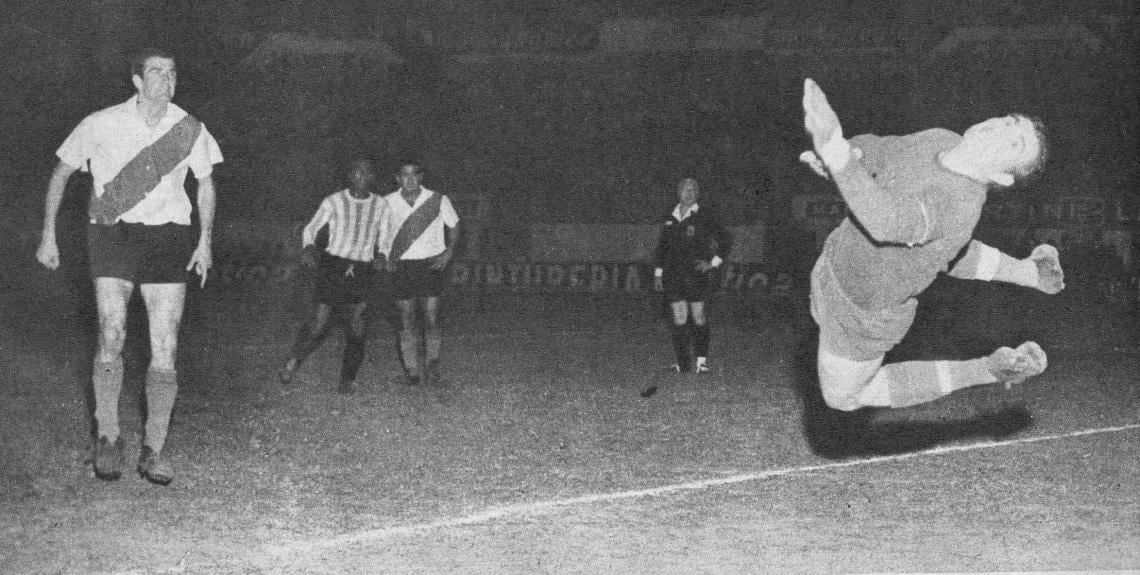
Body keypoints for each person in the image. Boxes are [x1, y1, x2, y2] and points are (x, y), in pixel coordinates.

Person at [799, 78, 1064, 417]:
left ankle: (986, 369)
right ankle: (1031, 272)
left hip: (862, 315)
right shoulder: (942, 138)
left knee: (843, 398)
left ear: (1003, 178)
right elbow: (883, 150)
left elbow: (887, 222)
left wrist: (836, 152)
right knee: (943, 253)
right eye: (1008, 121)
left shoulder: (961, 203)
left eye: (1013, 144)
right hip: (834, 261)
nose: (999, 130)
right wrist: (851, 153)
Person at [35, 48, 223, 485]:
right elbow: (61, 173)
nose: (166, 80)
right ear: (137, 81)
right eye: (156, 72)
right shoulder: (101, 122)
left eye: (173, 73)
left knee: (165, 345)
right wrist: (48, 235)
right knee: (112, 331)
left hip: (168, 237)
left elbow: (206, 184)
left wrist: (205, 241)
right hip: (112, 234)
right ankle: (108, 437)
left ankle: (154, 449)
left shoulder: (190, 128)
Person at [279, 159, 389, 394]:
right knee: (319, 323)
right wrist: (308, 247)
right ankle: (294, 360)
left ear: (372, 177)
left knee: (357, 325)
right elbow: (310, 228)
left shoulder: (381, 205)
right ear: (350, 175)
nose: (361, 177)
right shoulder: (334, 201)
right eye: (357, 173)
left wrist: (382, 254)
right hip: (334, 265)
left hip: (363, 268)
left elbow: (386, 235)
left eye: (366, 173)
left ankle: (347, 379)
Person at [376, 160, 460, 386]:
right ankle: (411, 370)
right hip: (401, 266)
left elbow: (454, 225)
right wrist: (385, 256)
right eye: (405, 175)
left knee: (432, 318)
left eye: (414, 175)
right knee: (406, 320)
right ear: (397, 178)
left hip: (431, 265)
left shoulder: (438, 200)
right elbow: (383, 234)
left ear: (421, 177)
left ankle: (432, 366)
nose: (410, 179)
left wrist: (450, 250)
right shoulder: (386, 202)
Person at [652, 177, 734, 373]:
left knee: (698, 317)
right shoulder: (670, 217)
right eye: (684, 190)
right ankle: (683, 364)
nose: (688, 193)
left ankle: (701, 362)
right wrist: (658, 274)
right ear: (678, 192)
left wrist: (712, 264)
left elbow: (726, 239)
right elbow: (662, 247)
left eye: (692, 190)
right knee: (679, 318)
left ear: (697, 194)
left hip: (696, 276)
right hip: (673, 276)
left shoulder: (704, 215)